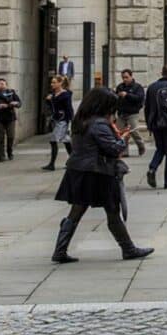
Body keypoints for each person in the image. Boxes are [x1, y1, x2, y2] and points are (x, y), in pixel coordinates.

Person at [50, 86, 153, 264]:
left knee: (77, 210)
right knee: (112, 210)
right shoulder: (99, 123)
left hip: (79, 170)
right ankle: (128, 248)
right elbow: (114, 148)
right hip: (98, 172)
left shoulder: (81, 120)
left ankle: (60, 249)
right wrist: (122, 139)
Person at [42, 75, 73, 171]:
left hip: (63, 120)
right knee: (66, 141)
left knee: (53, 140)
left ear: (60, 83)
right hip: (55, 119)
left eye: (54, 82)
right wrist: (48, 100)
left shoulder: (65, 95)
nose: (52, 84)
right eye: (52, 82)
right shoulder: (53, 94)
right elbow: (52, 107)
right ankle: (73, 162)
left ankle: (52, 164)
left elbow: (69, 109)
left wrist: (70, 121)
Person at [0, 78, 21, 162]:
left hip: (10, 117)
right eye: (0, 84)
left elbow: (19, 103)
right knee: (0, 137)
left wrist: (15, 103)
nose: (2, 85)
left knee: (11, 136)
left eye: (4, 83)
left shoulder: (12, 93)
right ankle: (1, 156)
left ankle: (10, 152)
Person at [115, 69, 147, 157]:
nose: (125, 79)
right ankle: (124, 151)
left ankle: (141, 146)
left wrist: (127, 95)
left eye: (126, 77)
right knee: (120, 133)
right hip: (121, 113)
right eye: (123, 77)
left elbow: (139, 98)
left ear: (131, 76)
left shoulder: (137, 87)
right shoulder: (120, 87)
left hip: (132, 113)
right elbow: (115, 98)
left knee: (134, 131)